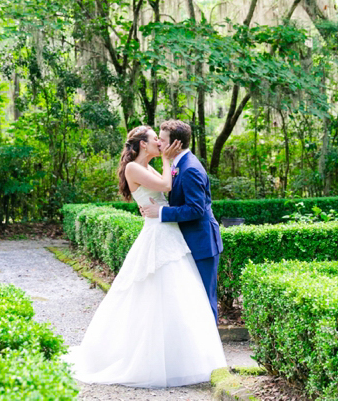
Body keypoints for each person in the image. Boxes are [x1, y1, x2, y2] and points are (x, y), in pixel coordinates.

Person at [64, 125, 226, 388]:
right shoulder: (135, 168)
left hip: (173, 234)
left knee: (188, 297)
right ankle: (160, 358)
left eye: (162, 141)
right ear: (142, 144)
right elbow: (166, 185)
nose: (160, 144)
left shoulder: (174, 166)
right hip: (159, 235)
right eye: (156, 140)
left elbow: (172, 192)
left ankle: (200, 357)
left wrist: (164, 165)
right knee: (155, 296)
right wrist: (165, 161)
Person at [141, 120, 224, 323]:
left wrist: (161, 212)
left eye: (162, 140)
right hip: (187, 243)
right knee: (191, 301)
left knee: (204, 300)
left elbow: (196, 209)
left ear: (175, 144)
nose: (159, 143)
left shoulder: (190, 169)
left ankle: (211, 353)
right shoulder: (178, 164)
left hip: (202, 244)